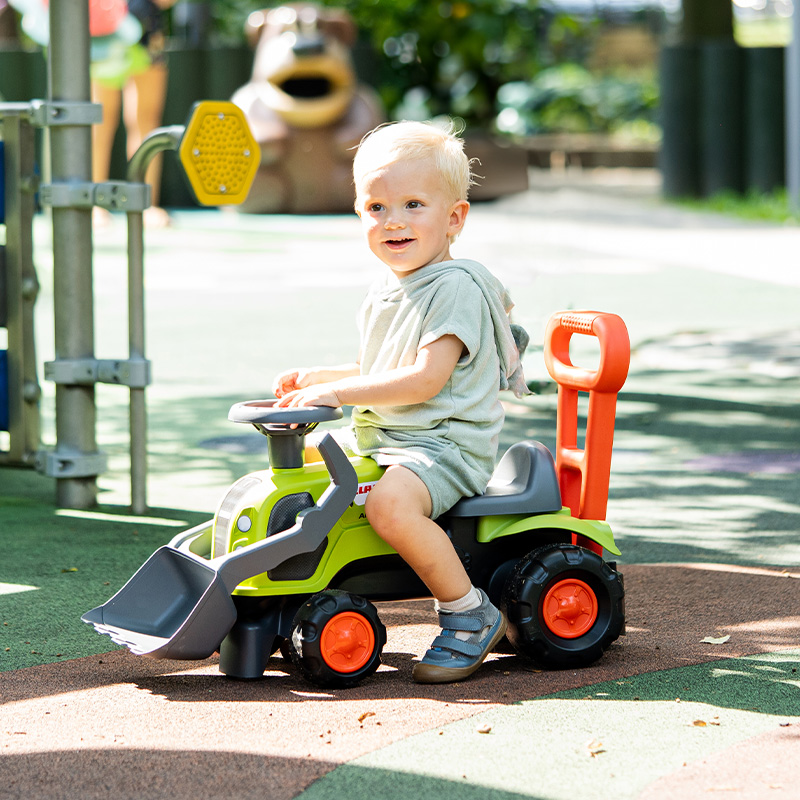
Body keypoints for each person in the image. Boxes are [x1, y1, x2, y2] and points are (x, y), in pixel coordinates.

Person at [272, 120, 530, 684]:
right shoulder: (390, 285)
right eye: (376, 206)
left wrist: (338, 392)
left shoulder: (454, 286)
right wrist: (323, 375)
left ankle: (468, 612)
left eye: (414, 204)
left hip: (443, 444)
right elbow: (388, 369)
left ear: (454, 218)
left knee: (389, 506)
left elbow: (424, 381)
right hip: (394, 436)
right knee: (306, 471)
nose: (393, 220)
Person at [91, 0, 176, 228]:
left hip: (146, 27)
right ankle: (95, 205)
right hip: (104, 29)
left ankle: (145, 204)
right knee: (99, 119)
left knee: (146, 120)